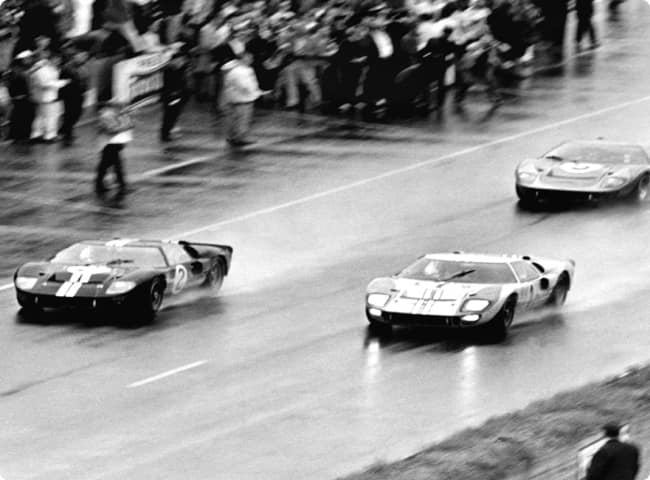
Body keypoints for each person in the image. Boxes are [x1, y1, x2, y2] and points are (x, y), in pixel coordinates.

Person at [221, 52, 262, 147]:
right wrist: (256, 93)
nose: (251, 60)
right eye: (249, 58)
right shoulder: (240, 71)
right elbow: (245, 86)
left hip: (235, 98)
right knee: (243, 119)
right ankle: (240, 137)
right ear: (242, 59)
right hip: (243, 99)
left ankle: (232, 136)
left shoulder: (236, 70)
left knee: (235, 118)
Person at [96, 102, 133, 198]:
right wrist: (125, 125)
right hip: (109, 144)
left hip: (113, 143)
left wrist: (125, 119)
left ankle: (99, 185)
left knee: (105, 165)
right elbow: (111, 129)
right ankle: (122, 186)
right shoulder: (106, 116)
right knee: (116, 165)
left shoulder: (114, 114)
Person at [59, 46, 89, 146]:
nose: (84, 58)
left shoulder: (83, 67)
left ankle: (64, 129)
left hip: (80, 94)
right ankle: (67, 132)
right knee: (70, 113)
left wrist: (85, 91)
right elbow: (64, 82)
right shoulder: (67, 68)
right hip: (70, 95)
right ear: (75, 57)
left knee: (78, 113)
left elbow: (85, 80)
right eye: (81, 56)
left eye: (85, 56)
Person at [160, 45, 190, 142]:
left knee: (174, 114)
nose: (182, 62)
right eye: (180, 60)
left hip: (178, 95)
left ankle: (168, 132)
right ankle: (165, 134)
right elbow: (169, 84)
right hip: (171, 95)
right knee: (169, 115)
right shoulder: (169, 70)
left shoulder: (179, 69)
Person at [7, 50, 36, 143]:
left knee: (24, 117)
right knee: (22, 117)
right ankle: (20, 136)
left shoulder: (20, 70)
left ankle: (21, 136)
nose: (30, 60)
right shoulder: (17, 71)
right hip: (21, 98)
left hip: (23, 98)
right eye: (27, 59)